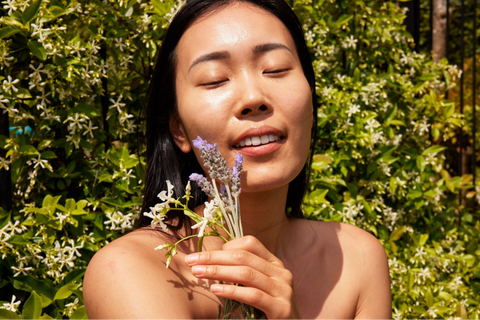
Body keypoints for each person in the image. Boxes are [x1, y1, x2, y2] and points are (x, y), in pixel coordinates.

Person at [83, 0, 392, 319]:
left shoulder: (357, 259)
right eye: (215, 79)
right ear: (179, 131)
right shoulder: (134, 271)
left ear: (311, 106)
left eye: (275, 69)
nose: (253, 99)